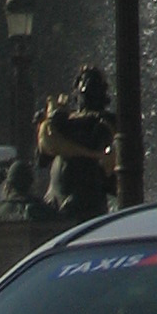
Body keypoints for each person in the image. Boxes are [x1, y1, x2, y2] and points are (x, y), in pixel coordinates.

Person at [38, 67, 116, 220]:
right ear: (76, 92)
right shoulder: (65, 121)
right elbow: (42, 157)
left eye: (94, 86)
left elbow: (92, 141)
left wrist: (55, 118)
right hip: (56, 199)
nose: (88, 92)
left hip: (85, 201)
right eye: (85, 85)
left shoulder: (105, 121)